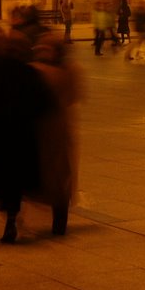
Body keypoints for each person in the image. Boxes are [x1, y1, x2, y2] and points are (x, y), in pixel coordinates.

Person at [0, 7, 57, 244]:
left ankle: (9, 213)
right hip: (21, 139)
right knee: (17, 181)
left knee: (1, 179)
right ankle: (12, 217)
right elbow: (45, 103)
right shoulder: (29, 74)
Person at [28, 21, 81, 236]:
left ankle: (58, 219)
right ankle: (56, 216)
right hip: (51, 128)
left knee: (58, 176)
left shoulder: (39, 71)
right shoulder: (67, 71)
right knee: (54, 174)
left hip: (53, 129)